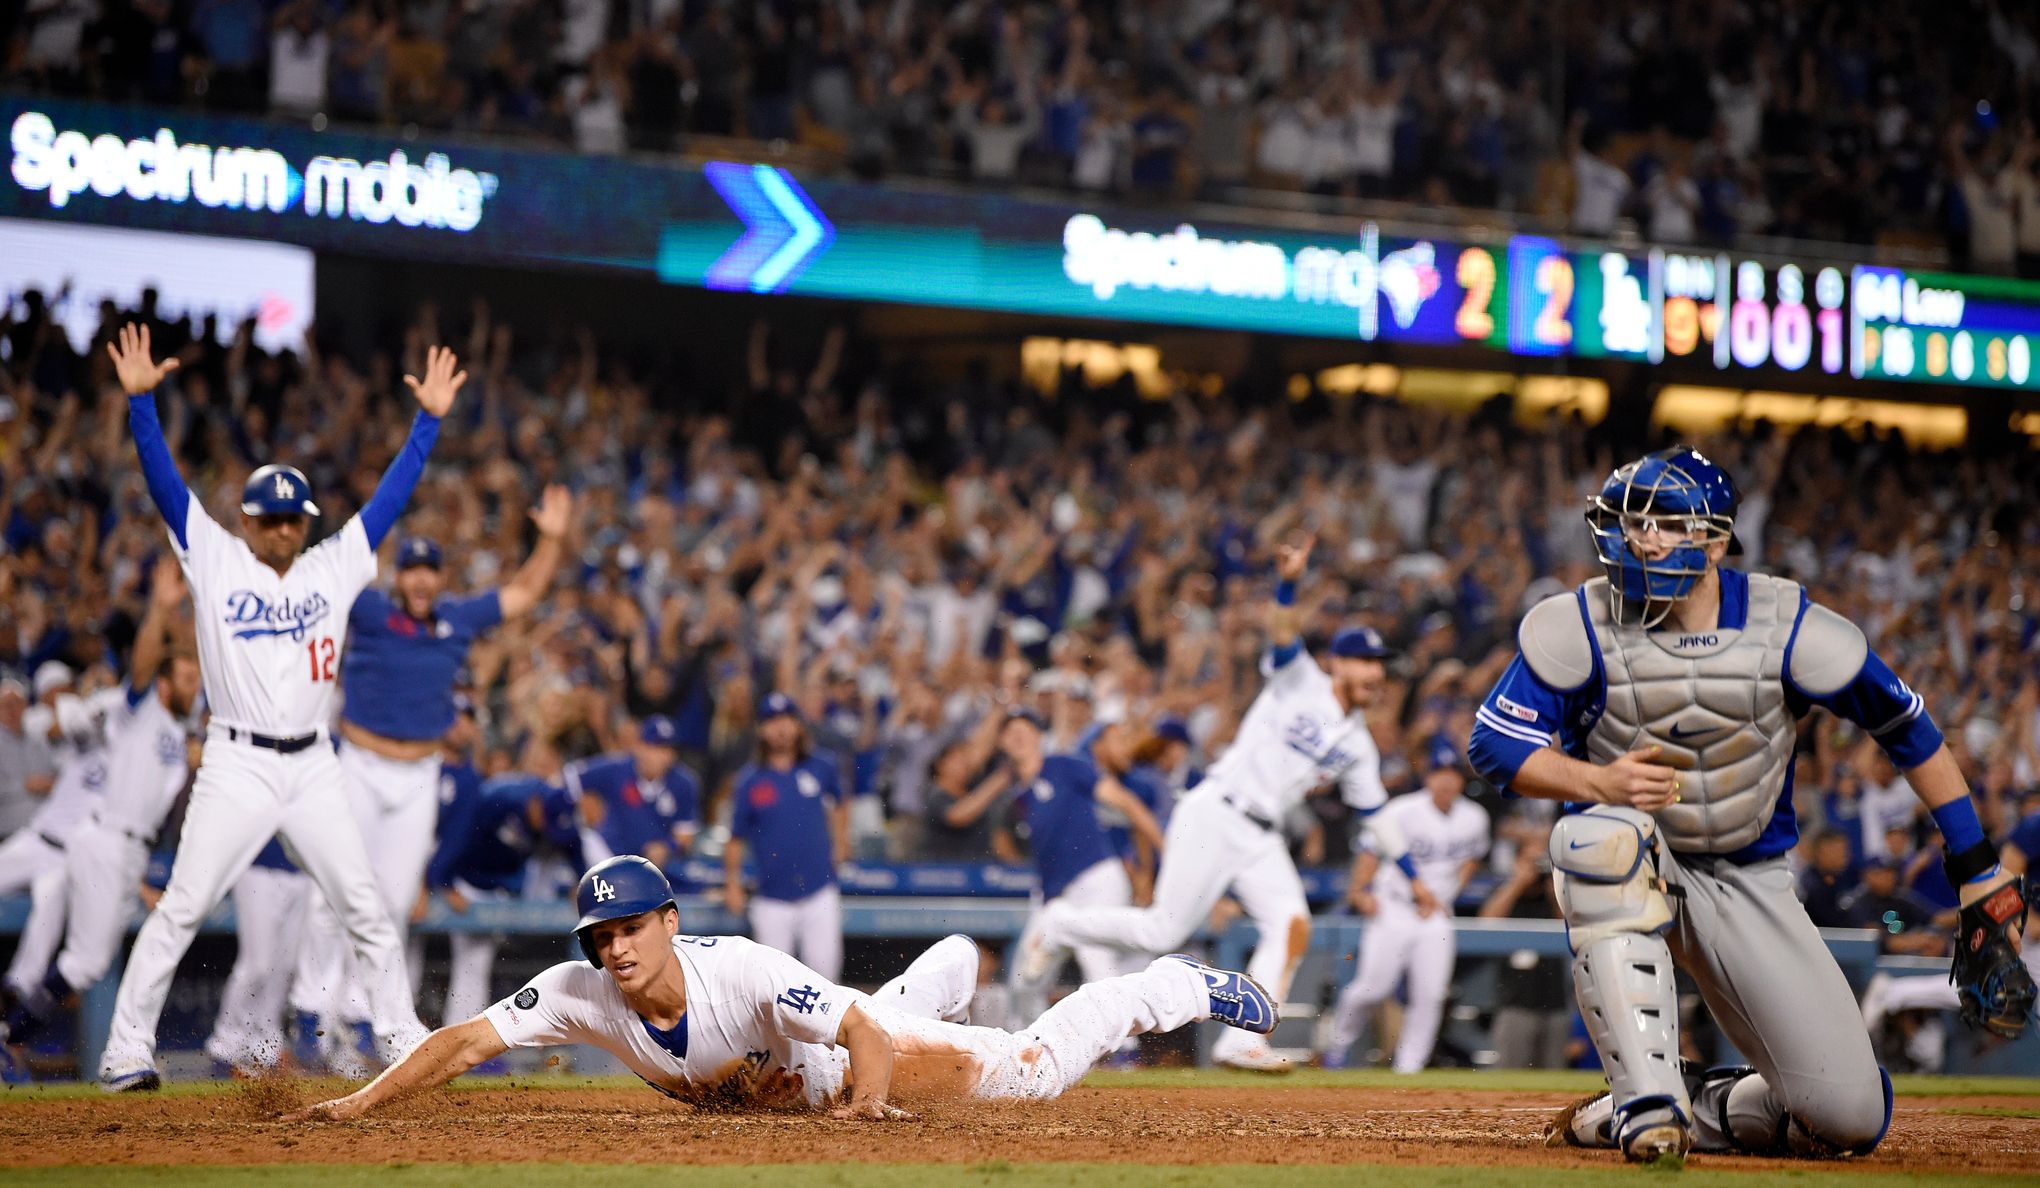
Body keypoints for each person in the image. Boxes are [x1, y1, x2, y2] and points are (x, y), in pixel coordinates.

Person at [1469, 446, 2031, 1163]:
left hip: (1748, 874)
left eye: (1663, 524)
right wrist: (1597, 783)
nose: (1639, 540)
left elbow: (1908, 732)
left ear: (1714, 538)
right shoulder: (1579, 622)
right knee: (1598, 839)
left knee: (1848, 1117)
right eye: (1629, 524)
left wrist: (1977, 865)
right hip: (1641, 853)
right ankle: (1647, 1103)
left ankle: (1691, 1101)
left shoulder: (1787, 624)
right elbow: (1494, 743)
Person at [92, 323, 456, 1091]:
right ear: (249, 519)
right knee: (185, 904)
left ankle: (400, 1036)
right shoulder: (214, 556)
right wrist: (142, 408)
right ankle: (126, 1049)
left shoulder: (333, 566)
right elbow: (164, 482)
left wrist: (427, 423)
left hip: (314, 764)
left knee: (362, 901)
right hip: (237, 762)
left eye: (296, 517)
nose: (285, 527)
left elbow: (390, 500)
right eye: (272, 517)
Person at [288, 855, 1279, 1122]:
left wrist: (869, 1103)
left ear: (669, 922)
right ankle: (949, 970)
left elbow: (857, 1035)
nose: (616, 949)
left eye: (631, 928)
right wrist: (360, 1103)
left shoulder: (743, 971)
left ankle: (1168, 986)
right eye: (600, 936)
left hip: (846, 1058)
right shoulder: (581, 993)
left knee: (1023, 1074)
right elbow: (463, 1040)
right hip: (817, 1049)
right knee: (884, 1009)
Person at [1023, 536, 1397, 1072]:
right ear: (1338, 663)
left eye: (1379, 664)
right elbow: (1284, 633)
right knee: (1163, 932)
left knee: (1292, 921)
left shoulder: (1359, 744)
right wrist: (1289, 582)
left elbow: (1377, 813)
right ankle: (1061, 924)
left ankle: (1242, 1040)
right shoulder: (1301, 680)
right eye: (1364, 661)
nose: (1374, 673)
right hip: (1217, 810)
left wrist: (1416, 873)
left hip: (1262, 835)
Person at [292, 484, 569, 1078]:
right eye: (411, 570)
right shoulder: (369, 609)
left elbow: (522, 593)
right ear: (399, 576)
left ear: (440, 579)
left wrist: (550, 540)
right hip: (359, 767)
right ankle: (310, 1012)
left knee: (391, 903)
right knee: (331, 889)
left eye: (428, 571)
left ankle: (364, 1017)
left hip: (418, 772)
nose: (419, 581)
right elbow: (308, 578)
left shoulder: (456, 618)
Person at [0, 561, 199, 1082]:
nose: (192, 683)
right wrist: (160, 608)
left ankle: (11, 1037)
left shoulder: (177, 734)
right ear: (161, 682)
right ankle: (18, 1039)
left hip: (119, 848)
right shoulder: (140, 710)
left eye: (194, 676)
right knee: (85, 961)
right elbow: (143, 663)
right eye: (183, 676)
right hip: (105, 842)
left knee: (82, 960)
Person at [1320, 747, 1490, 1072]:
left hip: (1436, 915)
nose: (1446, 781)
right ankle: (1338, 1047)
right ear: (1427, 777)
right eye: (1440, 773)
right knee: (1372, 988)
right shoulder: (1402, 810)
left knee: (1431, 995)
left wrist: (1447, 895)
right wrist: (1358, 890)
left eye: (1453, 774)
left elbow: (1472, 858)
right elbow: (1370, 852)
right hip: (1394, 907)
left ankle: (1408, 1069)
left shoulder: (1474, 817)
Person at [997, 707, 1165, 1024]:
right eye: (1010, 732)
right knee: (1024, 980)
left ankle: (1121, 1053)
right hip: (1055, 897)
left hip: (1097, 878)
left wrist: (1164, 853)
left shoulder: (1064, 766)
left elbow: (1127, 803)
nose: (1018, 736)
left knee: (1095, 958)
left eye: (1025, 729)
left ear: (1038, 736)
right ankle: (1033, 1052)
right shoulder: (1016, 795)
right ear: (1002, 743)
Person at [424, 768, 582, 1028]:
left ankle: (465, 1034)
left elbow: (572, 842)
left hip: (503, 886)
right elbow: (457, 833)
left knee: (476, 964)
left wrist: (580, 880)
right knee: (468, 962)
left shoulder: (553, 805)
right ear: (535, 804)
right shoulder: (500, 800)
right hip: (466, 881)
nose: (548, 829)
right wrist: (443, 880)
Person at [723, 694, 849, 981]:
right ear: (762, 729)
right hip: (771, 897)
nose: (781, 728)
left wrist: (842, 841)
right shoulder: (750, 780)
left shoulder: (821, 766)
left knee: (826, 977)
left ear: (797, 725)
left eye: (787, 720)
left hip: (819, 889)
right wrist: (732, 882)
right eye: (772, 721)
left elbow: (841, 802)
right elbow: (735, 837)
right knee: (774, 985)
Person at [201, 838, 311, 1076]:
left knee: (286, 966)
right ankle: (225, 1047)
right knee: (257, 965)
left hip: (302, 872)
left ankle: (265, 1048)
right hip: (258, 867)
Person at [563, 714, 700, 871]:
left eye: (666, 749)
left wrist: (666, 847)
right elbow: (571, 775)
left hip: (655, 865)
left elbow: (685, 834)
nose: (660, 756)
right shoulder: (617, 768)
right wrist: (587, 806)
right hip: (608, 855)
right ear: (639, 747)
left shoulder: (684, 783)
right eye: (653, 747)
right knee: (586, 841)